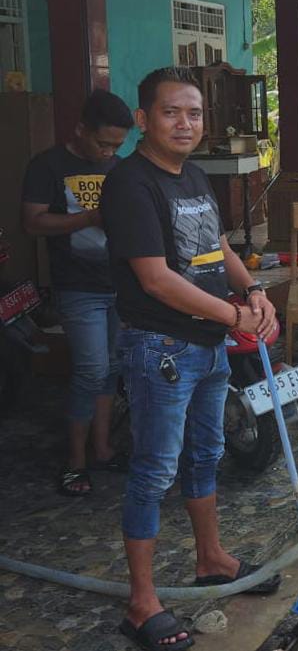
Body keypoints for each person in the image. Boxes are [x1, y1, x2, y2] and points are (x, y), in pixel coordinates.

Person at [100, 67, 280, 651]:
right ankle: (142, 602)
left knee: (207, 454)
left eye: (195, 113)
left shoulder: (194, 174)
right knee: (154, 470)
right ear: (142, 119)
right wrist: (233, 317)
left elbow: (218, 247)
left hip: (207, 345)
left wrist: (253, 292)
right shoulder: (130, 184)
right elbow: (154, 280)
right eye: (172, 112)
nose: (185, 123)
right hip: (162, 348)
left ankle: (211, 559)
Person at [22, 90, 134, 496]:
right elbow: (33, 224)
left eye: (117, 146)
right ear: (80, 129)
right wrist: (88, 217)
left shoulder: (120, 168)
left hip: (120, 284)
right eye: (102, 142)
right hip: (77, 286)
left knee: (111, 367)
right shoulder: (47, 165)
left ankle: (103, 450)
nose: (108, 152)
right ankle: (74, 462)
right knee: (89, 369)